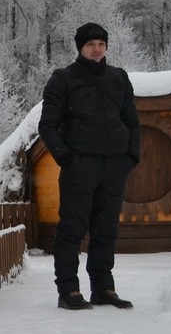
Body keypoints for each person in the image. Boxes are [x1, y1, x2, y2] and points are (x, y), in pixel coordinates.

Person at [37, 22, 141, 310]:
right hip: (80, 166)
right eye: (90, 45)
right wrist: (68, 159)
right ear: (80, 48)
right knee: (72, 229)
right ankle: (68, 291)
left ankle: (103, 288)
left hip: (114, 166)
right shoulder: (63, 79)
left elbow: (131, 120)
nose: (96, 50)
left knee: (106, 228)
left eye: (101, 44)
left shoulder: (118, 77)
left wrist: (130, 156)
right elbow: (47, 125)